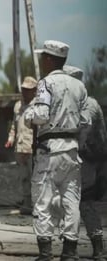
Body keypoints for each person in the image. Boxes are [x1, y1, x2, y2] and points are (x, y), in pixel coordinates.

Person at [25, 40, 91, 260]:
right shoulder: (79, 86)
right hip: (72, 152)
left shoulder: (46, 83)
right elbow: (85, 121)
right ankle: (69, 252)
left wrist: (28, 115)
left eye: (44, 57)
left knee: (43, 201)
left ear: (50, 59)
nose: (42, 60)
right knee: (71, 202)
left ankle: (45, 253)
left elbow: (41, 116)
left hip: (49, 151)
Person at [64, 65, 107, 260]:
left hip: (90, 161)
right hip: (82, 159)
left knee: (84, 203)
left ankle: (97, 247)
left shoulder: (88, 104)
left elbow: (84, 129)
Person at [5, 76, 37, 215]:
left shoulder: (38, 106)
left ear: (34, 91)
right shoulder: (18, 106)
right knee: (23, 177)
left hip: (32, 147)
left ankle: (37, 206)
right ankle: (27, 204)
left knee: (35, 178)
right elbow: (14, 125)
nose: (24, 92)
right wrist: (10, 139)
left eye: (28, 90)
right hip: (20, 146)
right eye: (23, 89)